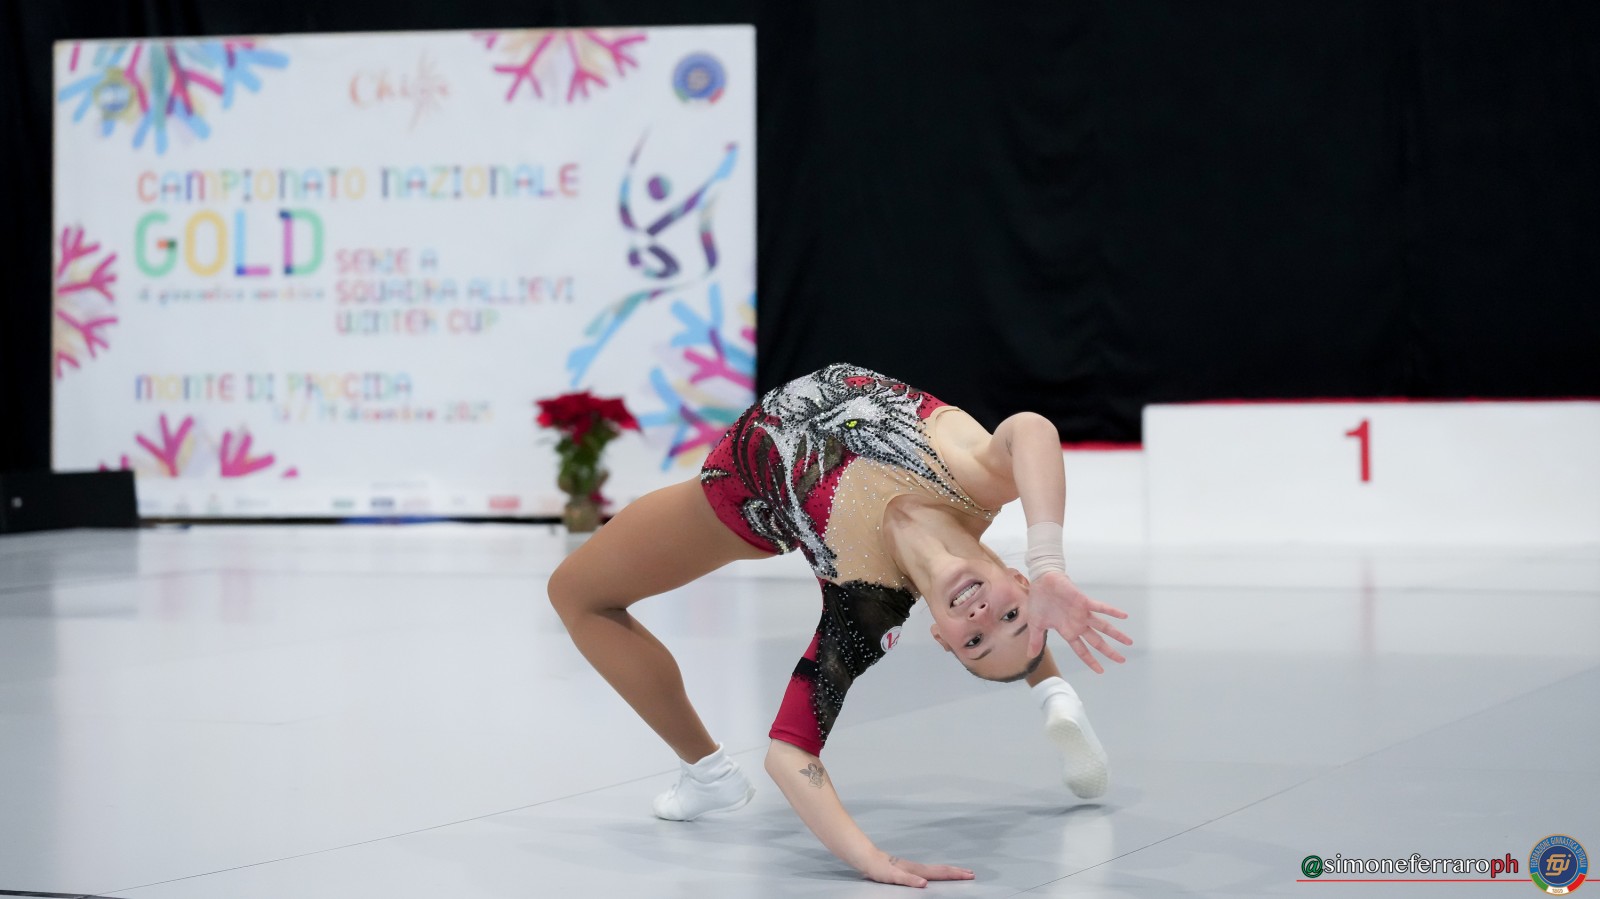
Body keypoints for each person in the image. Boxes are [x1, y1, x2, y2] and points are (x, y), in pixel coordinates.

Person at [548, 362, 1133, 888]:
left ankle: (706, 771)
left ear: (940, 637)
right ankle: (1051, 688)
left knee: (576, 594)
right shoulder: (974, 480)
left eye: (975, 642)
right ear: (1022, 579)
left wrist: (869, 857)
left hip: (743, 494)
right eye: (1010, 614)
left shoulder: (866, 610)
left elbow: (789, 754)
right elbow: (1032, 428)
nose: (982, 617)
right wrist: (1050, 565)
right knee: (1013, 616)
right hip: (815, 447)